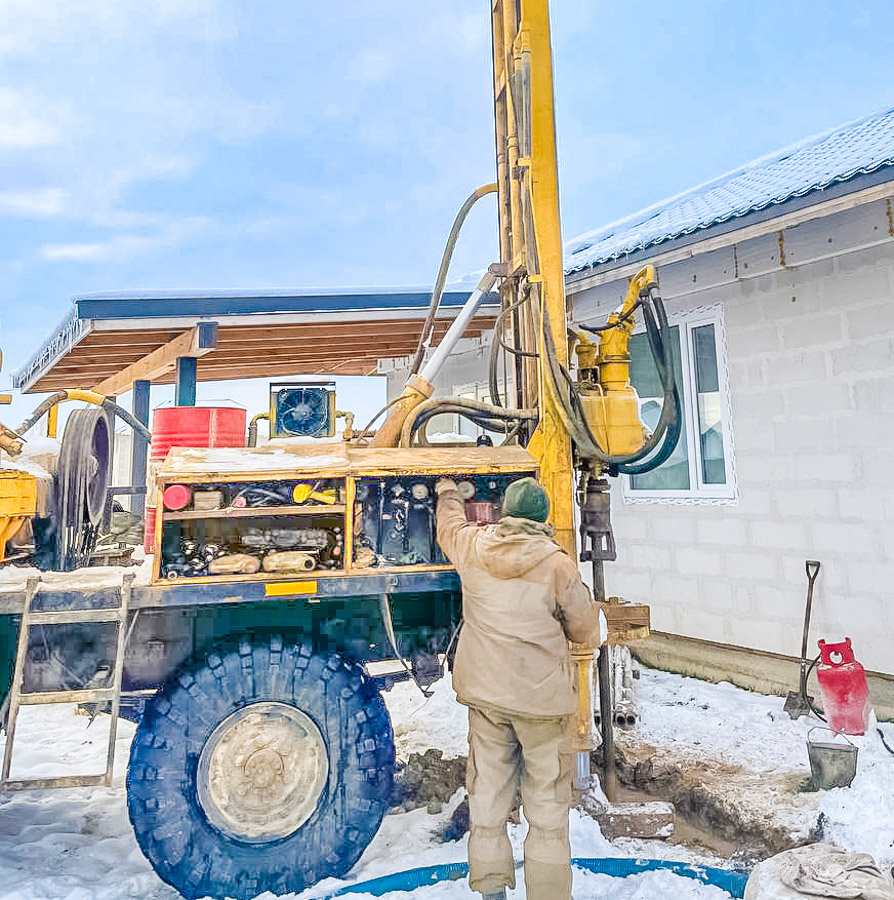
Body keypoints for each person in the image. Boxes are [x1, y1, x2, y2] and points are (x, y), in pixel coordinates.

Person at [435, 476, 600, 900]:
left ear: (505, 511)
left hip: (488, 700)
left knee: (487, 799)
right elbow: (584, 632)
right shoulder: (558, 564)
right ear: (543, 517)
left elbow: (448, 527)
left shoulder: (473, 547)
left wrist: (448, 494)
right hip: (542, 706)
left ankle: (491, 891)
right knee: (546, 810)